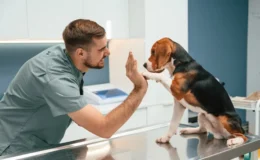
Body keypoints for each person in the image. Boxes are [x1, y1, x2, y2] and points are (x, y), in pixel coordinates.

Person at [0, 19, 148, 156]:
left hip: (39, 145)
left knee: (81, 150)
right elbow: (105, 128)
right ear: (81, 53)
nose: (107, 52)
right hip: (13, 149)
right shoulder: (54, 77)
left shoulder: (67, 57)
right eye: (102, 49)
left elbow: (75, 110)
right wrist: (139, 88)